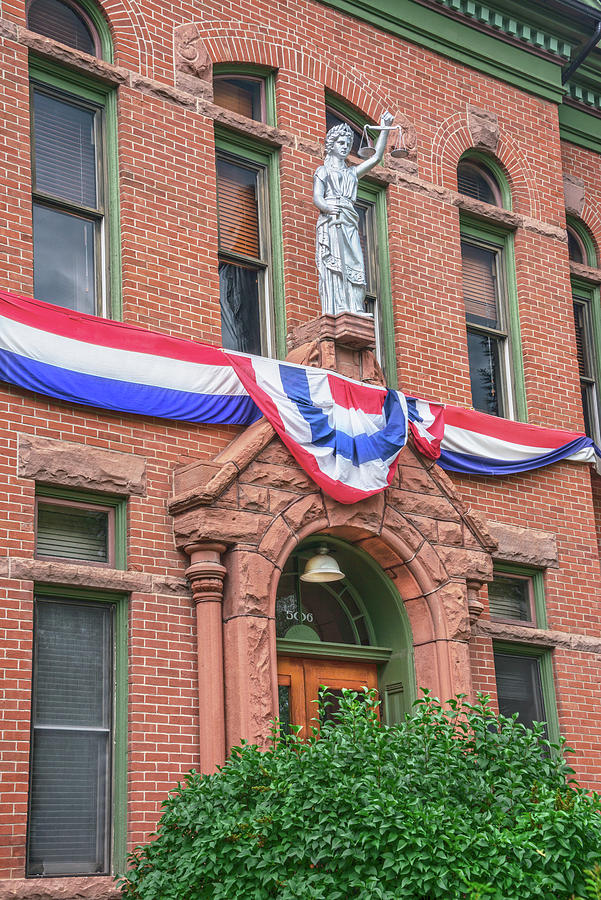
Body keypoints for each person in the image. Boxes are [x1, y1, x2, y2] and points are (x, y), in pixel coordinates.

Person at [313, 111, 394, 315]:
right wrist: (327, 207)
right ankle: (337, 308)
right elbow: (317, 197)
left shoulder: (351, 174)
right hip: (332, 220)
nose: (345, 147)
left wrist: (384, 129)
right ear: (331, 145)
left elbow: (375, 158)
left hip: (349, 220)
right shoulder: (323, 171)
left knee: (356, 264)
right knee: (335, 265)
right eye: (341, 142)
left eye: (348, 144)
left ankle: (355, 308)